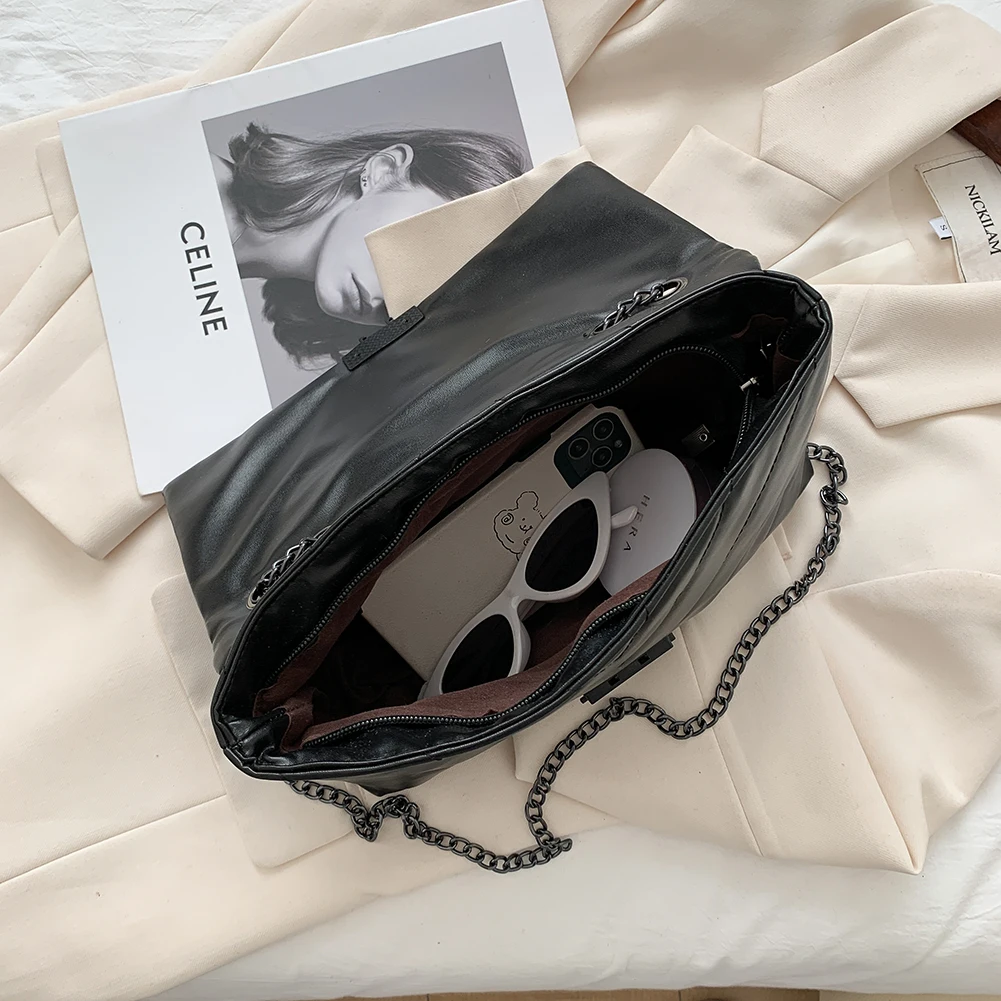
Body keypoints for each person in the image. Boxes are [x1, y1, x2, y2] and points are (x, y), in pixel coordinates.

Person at [211, 124, 528, 367]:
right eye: (418, 252)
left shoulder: (227, 262)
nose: (396, 299)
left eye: (431, 299)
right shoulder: (203, 199)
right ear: (384, 171)